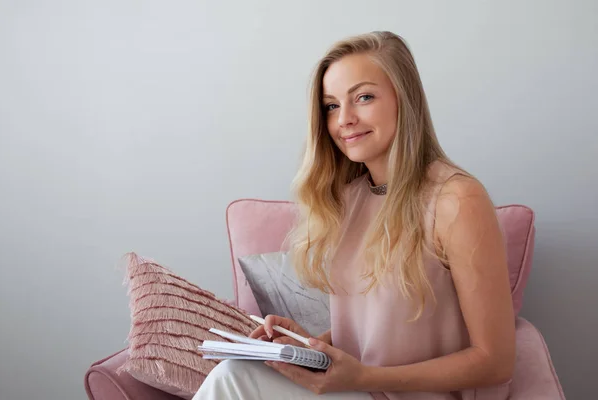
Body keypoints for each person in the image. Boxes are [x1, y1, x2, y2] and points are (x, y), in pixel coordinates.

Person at [193, 31, 515, 400]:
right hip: (361, 391)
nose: (344, 119)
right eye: (331, 106)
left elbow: (496, 362)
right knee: (238, 371)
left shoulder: (457, 199)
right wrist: (309, 346)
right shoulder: (347, 199)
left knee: (233, 380)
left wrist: (363, 379)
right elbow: (374, 335)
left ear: (404, 100)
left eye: (363, 97)